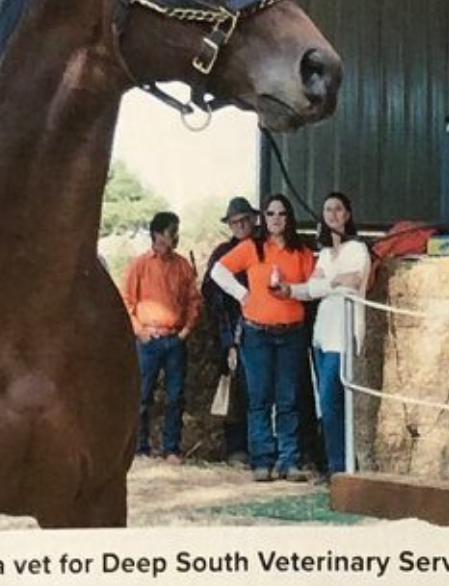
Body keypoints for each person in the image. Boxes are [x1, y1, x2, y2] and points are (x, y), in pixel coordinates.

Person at [213, 194, 316, 482]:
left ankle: (288, 460)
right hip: (257, 332)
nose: (276, 219)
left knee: (288, 398)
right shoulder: (252, 248)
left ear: (289, 218)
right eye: (271, 214)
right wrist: (242, 294)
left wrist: (292, 292)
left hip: (291, 332)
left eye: (281, 214)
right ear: (265, 218)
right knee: (259, 398)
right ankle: (262, 460)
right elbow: (218, 271)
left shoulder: (302, 252)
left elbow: (314, 286)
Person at [283, 191, 372, 478]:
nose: (332, 214)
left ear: (347, 215)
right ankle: (337, 463)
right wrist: (289, 290)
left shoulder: (357, 249)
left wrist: (327, 283)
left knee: (334, 401)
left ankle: (341, 467)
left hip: (344, 335)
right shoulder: (324, 255)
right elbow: (312, 289)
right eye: (327, 210)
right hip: (323, 334)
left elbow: (353, 281)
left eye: (338, 209)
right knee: (327, 404)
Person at [120, 212, 201, 462]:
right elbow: (126, 301)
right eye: (170, 231)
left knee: (175, 396)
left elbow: (194, 301)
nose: (175, 236)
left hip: (175, 339)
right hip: (148, 339)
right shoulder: (139, 265)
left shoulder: (183, 266)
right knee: (142, 395)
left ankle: (171, 449)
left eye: (176, 231)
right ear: (157, 234)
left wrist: (186, 330)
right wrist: (140, 332)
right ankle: (140, 448)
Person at [201, 197, 256, 464]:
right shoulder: (221, 254)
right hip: (231, 328)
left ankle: (262, 447)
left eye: (245, 219)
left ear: (254, 220)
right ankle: (236, 447)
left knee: (262, 390)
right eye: (235, 222)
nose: (241, 225)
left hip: (263, 325)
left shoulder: (264, 248)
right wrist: (225, 338)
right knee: (235, 389)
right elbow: (209, 293)